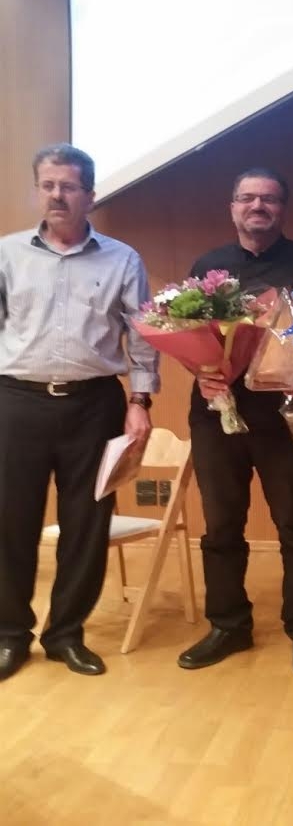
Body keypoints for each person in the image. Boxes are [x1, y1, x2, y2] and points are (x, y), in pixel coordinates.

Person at [0, 143, 159, 680]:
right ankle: (9, 635)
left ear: (90, 195)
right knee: (9, 523)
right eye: (48, 185)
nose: (57, 196)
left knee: (87, 525)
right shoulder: (7, 254)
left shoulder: (122, 259)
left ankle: (65, 634)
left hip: (93, 406)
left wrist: (139, 401)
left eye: (68, 187)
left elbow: (143, 336)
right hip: (16, 402)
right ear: (37, 190)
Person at [178, 167, 293, 678]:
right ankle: (228, 624)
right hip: (216, 414)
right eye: (247, 198)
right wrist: (203, 373)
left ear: (282, 209)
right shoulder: (208, 265)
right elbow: (187, 333)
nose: (257, 206)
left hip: (286, 415)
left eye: (268, 199)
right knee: (221, 524)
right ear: (233, 208)